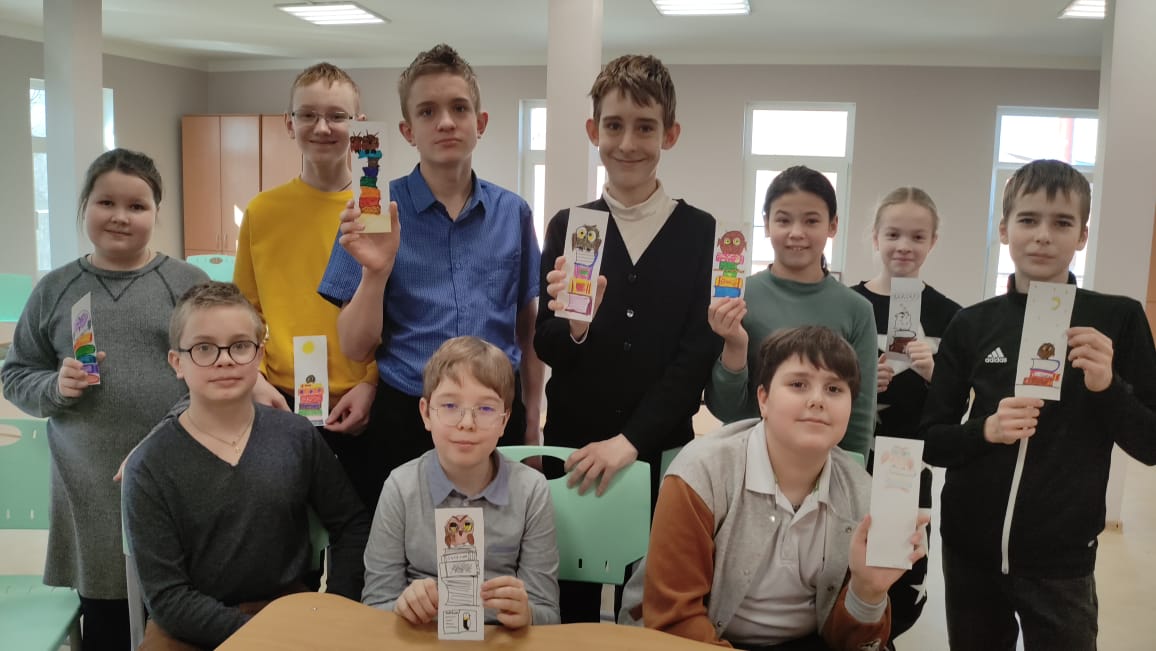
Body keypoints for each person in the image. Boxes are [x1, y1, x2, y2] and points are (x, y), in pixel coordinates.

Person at [920, 159, 1156, 651]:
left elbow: (1150, 444)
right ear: (1004, 230)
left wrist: (1108, 386)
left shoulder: (1118, 319)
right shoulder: (972, 323)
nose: (1043, 236)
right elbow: (934, 441)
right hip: (969, 553)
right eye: (1028, 220)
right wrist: (986, 430)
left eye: (1062, 222)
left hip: (1062, 562)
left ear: (1083, 235)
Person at [534, 53, 720, 622]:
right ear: (593, 131)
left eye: (645, 127)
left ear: (670, 134)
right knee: (571, 604)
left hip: (660, 453)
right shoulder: (571, 226)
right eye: (613, 126)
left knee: (650, 607)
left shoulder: (699, 232)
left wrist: (632, 440)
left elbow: (696, 352)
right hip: (574, 449)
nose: (628, 143)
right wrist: (577, 327)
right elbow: (546, 345)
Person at [0, 148, 208, 650]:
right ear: (85, 206)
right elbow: (16, 375)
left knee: (181, 611)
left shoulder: (187, 285)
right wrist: (55, 388)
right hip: (90, 485)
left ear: (156, 212)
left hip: (177, 471)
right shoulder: (55, 289)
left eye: (137, 206)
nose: (120, 216)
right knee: (108, 618)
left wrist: (175, 428)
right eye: (106, 202)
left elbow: (215, 372)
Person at [620, 326, 927, 650]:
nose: (817, 400)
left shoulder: (861, 495)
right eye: (798, 384)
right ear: (763, 399)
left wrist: (867, 590)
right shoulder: (702, 472)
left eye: (834, 389)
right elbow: (674, 620)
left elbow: (851, 643)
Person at [318, 43, 542, 480]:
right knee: (407, 526)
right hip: (408, 418)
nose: (445, 122)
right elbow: (354, 347)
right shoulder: (373, 213)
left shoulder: (513, 213)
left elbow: (527, 329)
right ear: (408, 130)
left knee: (501, 524)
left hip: (498, 414)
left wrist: (532, 421)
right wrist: (376, 272)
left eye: (459, 108)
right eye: (427, 111)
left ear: (480, 123)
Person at [121, 282, 370, 649]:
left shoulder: (296, 436)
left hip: (289, 611)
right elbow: (168, 597)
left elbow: (351, 523)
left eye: (239, 346)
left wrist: (334, 604)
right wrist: (259, 637)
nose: (224, 360)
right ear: (177, 363)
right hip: (190, 628)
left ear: (259, 355)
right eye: (204, 348)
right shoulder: (150, 465)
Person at [233, 62, 383, 510]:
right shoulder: (262, 212)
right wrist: (254, 378)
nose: (322, 127)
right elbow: (243, 311)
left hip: (362, 404)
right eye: (308, 115)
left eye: (337, 116)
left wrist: (372, 384)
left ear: (359, 125)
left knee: (359, 532)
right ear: (289, 123)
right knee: (283, 533)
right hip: (278, 400)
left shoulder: (375, 212)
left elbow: (398, 309)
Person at [362, 336, 559, 628]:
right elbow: (374, 605)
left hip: (499, 639)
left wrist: (527, 614)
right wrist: (402, 607)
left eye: (486, 409)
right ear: (426, 413)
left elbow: (548, 614)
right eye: (450, 405)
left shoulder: (531, 491)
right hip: (422, 637)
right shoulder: (400, 488)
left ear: (504, 422)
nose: (467, 422)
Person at [849, 187, 960, 646]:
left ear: (933, 241)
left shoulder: (951, 317)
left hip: (909, 469)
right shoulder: (848, 304)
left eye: (917, 236)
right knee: (840, 565)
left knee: (901, 574)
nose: (904, 246)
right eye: (893, 234)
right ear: (875, 236)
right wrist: (857, 386)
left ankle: (883, 639)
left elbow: (959, 410)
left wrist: (937, 375)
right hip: (847, 462)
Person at [705, 166, 876, 459]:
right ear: (766, 224)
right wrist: (735, 344)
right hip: (744, 462)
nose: (796, 233)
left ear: (833, 225)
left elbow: (859, 415)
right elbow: (726, 410)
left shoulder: (857, 310)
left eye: (811, 221)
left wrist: (850, 473)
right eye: (783, 220)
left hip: (823, 467)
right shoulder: (735, 299)